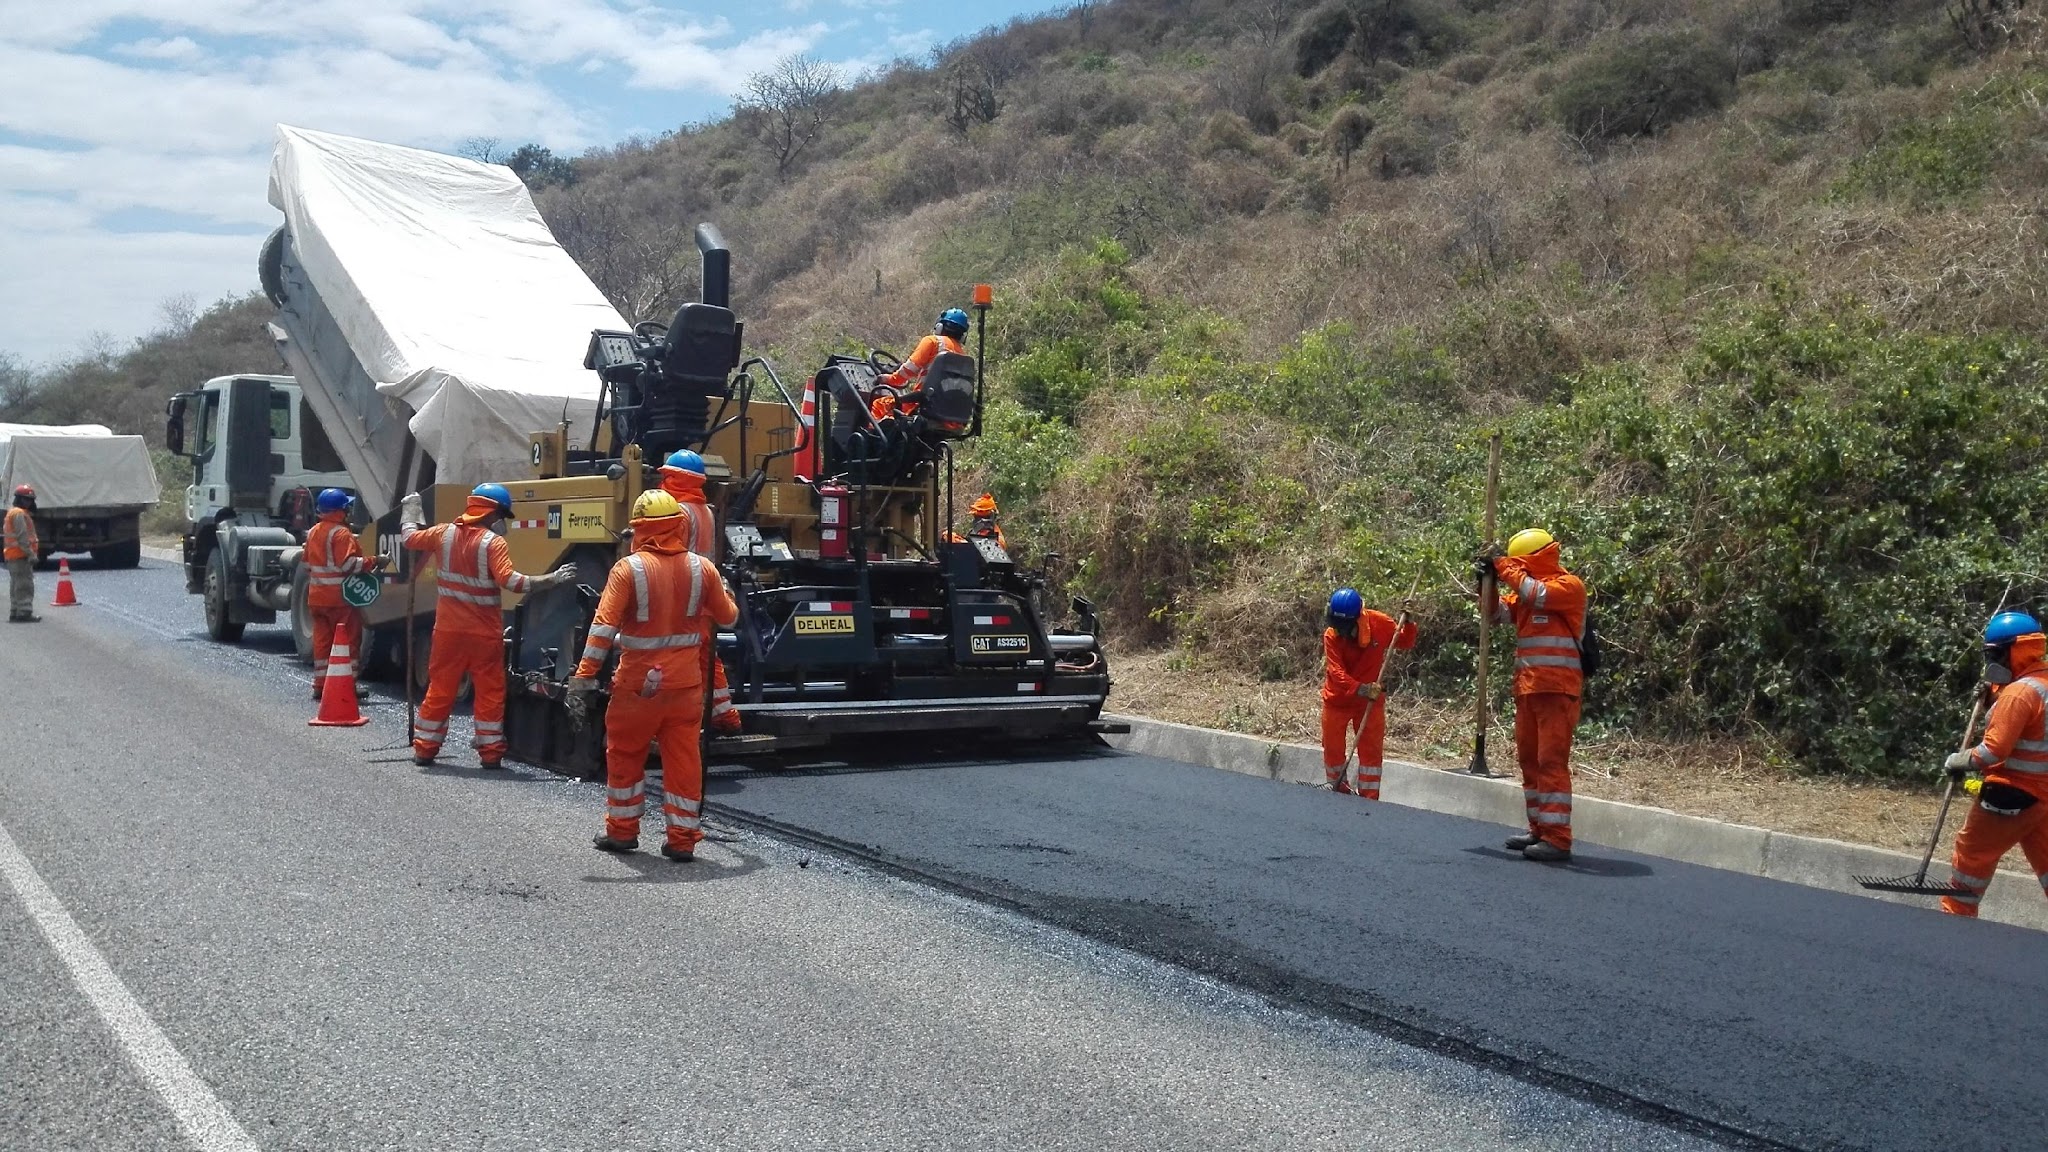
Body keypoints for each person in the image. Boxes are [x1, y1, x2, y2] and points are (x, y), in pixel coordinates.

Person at [568, 489, 740, 861]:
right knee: (683, 761)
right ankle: (682, 840)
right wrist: (726, 592)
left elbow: (601, 630)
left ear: (639, 530)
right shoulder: (702, 568)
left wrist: (583, 678)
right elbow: (727, 618)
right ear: (679, 526)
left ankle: (623, 832)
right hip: (685, 687)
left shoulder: (627, 570)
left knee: (626, 755)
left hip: (637, 687)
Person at [399, 484, 576, 768]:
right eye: (502, 516)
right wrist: (550, 579)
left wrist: (410, 511)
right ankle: (491, 753)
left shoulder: (442, 533)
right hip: (483, 634)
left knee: (441, 688)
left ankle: (425, 748)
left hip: (447, 632)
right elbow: (510, 581)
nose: (503, 523)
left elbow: (409, 539)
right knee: (490, 691)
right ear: (491, 513)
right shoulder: (492, 543)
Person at [1483, 528, 1588, 862]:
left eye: (1517, 563)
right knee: (1529, 761)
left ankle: (1558, 838)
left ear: (1530, 560)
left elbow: (1537, 593)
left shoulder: (1567, 587)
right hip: (1528, 689)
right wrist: (1487, 583)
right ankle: (1538, 829)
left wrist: (1503, 566)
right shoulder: (1523, 593)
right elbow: (1495, 615)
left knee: (1551, 762)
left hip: (1557, 690)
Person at [1941, 611, 2048, 917]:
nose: (1993, 664)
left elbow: (1994, 751)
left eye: (1995, 655)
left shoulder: (2018, 695)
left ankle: (1956, 914)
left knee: (1972, 855)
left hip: (2013, 793)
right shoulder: (2039, 684)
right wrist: (1993, 696)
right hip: (2043, 798)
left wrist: (1960, 760)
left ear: (2013, 651)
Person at [658, 450, 742, 734]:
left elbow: (671, 556)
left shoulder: (678, 512)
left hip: (684, 598)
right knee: (708, 659)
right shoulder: (706, 511)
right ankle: (724, 715)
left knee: (679, 660)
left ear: (674, 478)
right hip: (705, 595)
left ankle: (681, 720)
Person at [1320, 588, 1418, 799]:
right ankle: (1338, 790)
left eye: (1344, 627)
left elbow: (1404, 642)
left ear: (1357, 619)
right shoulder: (1331, 635)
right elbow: (1336, 672)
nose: (1340, 632)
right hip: (1338, 700)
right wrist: (1360, 688)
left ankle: (1369, 798)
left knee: (1371, 752)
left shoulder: (1379, 624)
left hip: (1370, 702)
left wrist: (1409, 623)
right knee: (1333, 750)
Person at [304, 488, 375, 700]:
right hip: (339, 599)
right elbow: (348, 565)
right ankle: (347, 685)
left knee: (322, 641)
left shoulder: (314, 532)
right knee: (348, 641)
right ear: (341, 510)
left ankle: (320, 684)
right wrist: (373, 562)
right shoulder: (341, 534)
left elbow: (307, 565)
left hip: (317, 598)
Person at [870, 307, 970, 421]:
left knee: (879, 404)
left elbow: (908, 370)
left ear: (940, 326)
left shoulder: (933, 342)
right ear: (962, 336)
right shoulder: (962, 355)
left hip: (922, 404)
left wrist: (888, 379)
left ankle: (871, 437)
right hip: (948, 412)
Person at [4, 485, 39, 623]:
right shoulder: (19, 514)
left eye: (30, 500)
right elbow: (22, 537)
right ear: (19, 499)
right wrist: (30, 554)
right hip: (20, 556)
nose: (28, 503)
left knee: (16, 585)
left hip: (13, 556)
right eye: (25, 499)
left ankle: (15, 611)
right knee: (24, 585)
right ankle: (24, 612)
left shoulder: (12, 512)